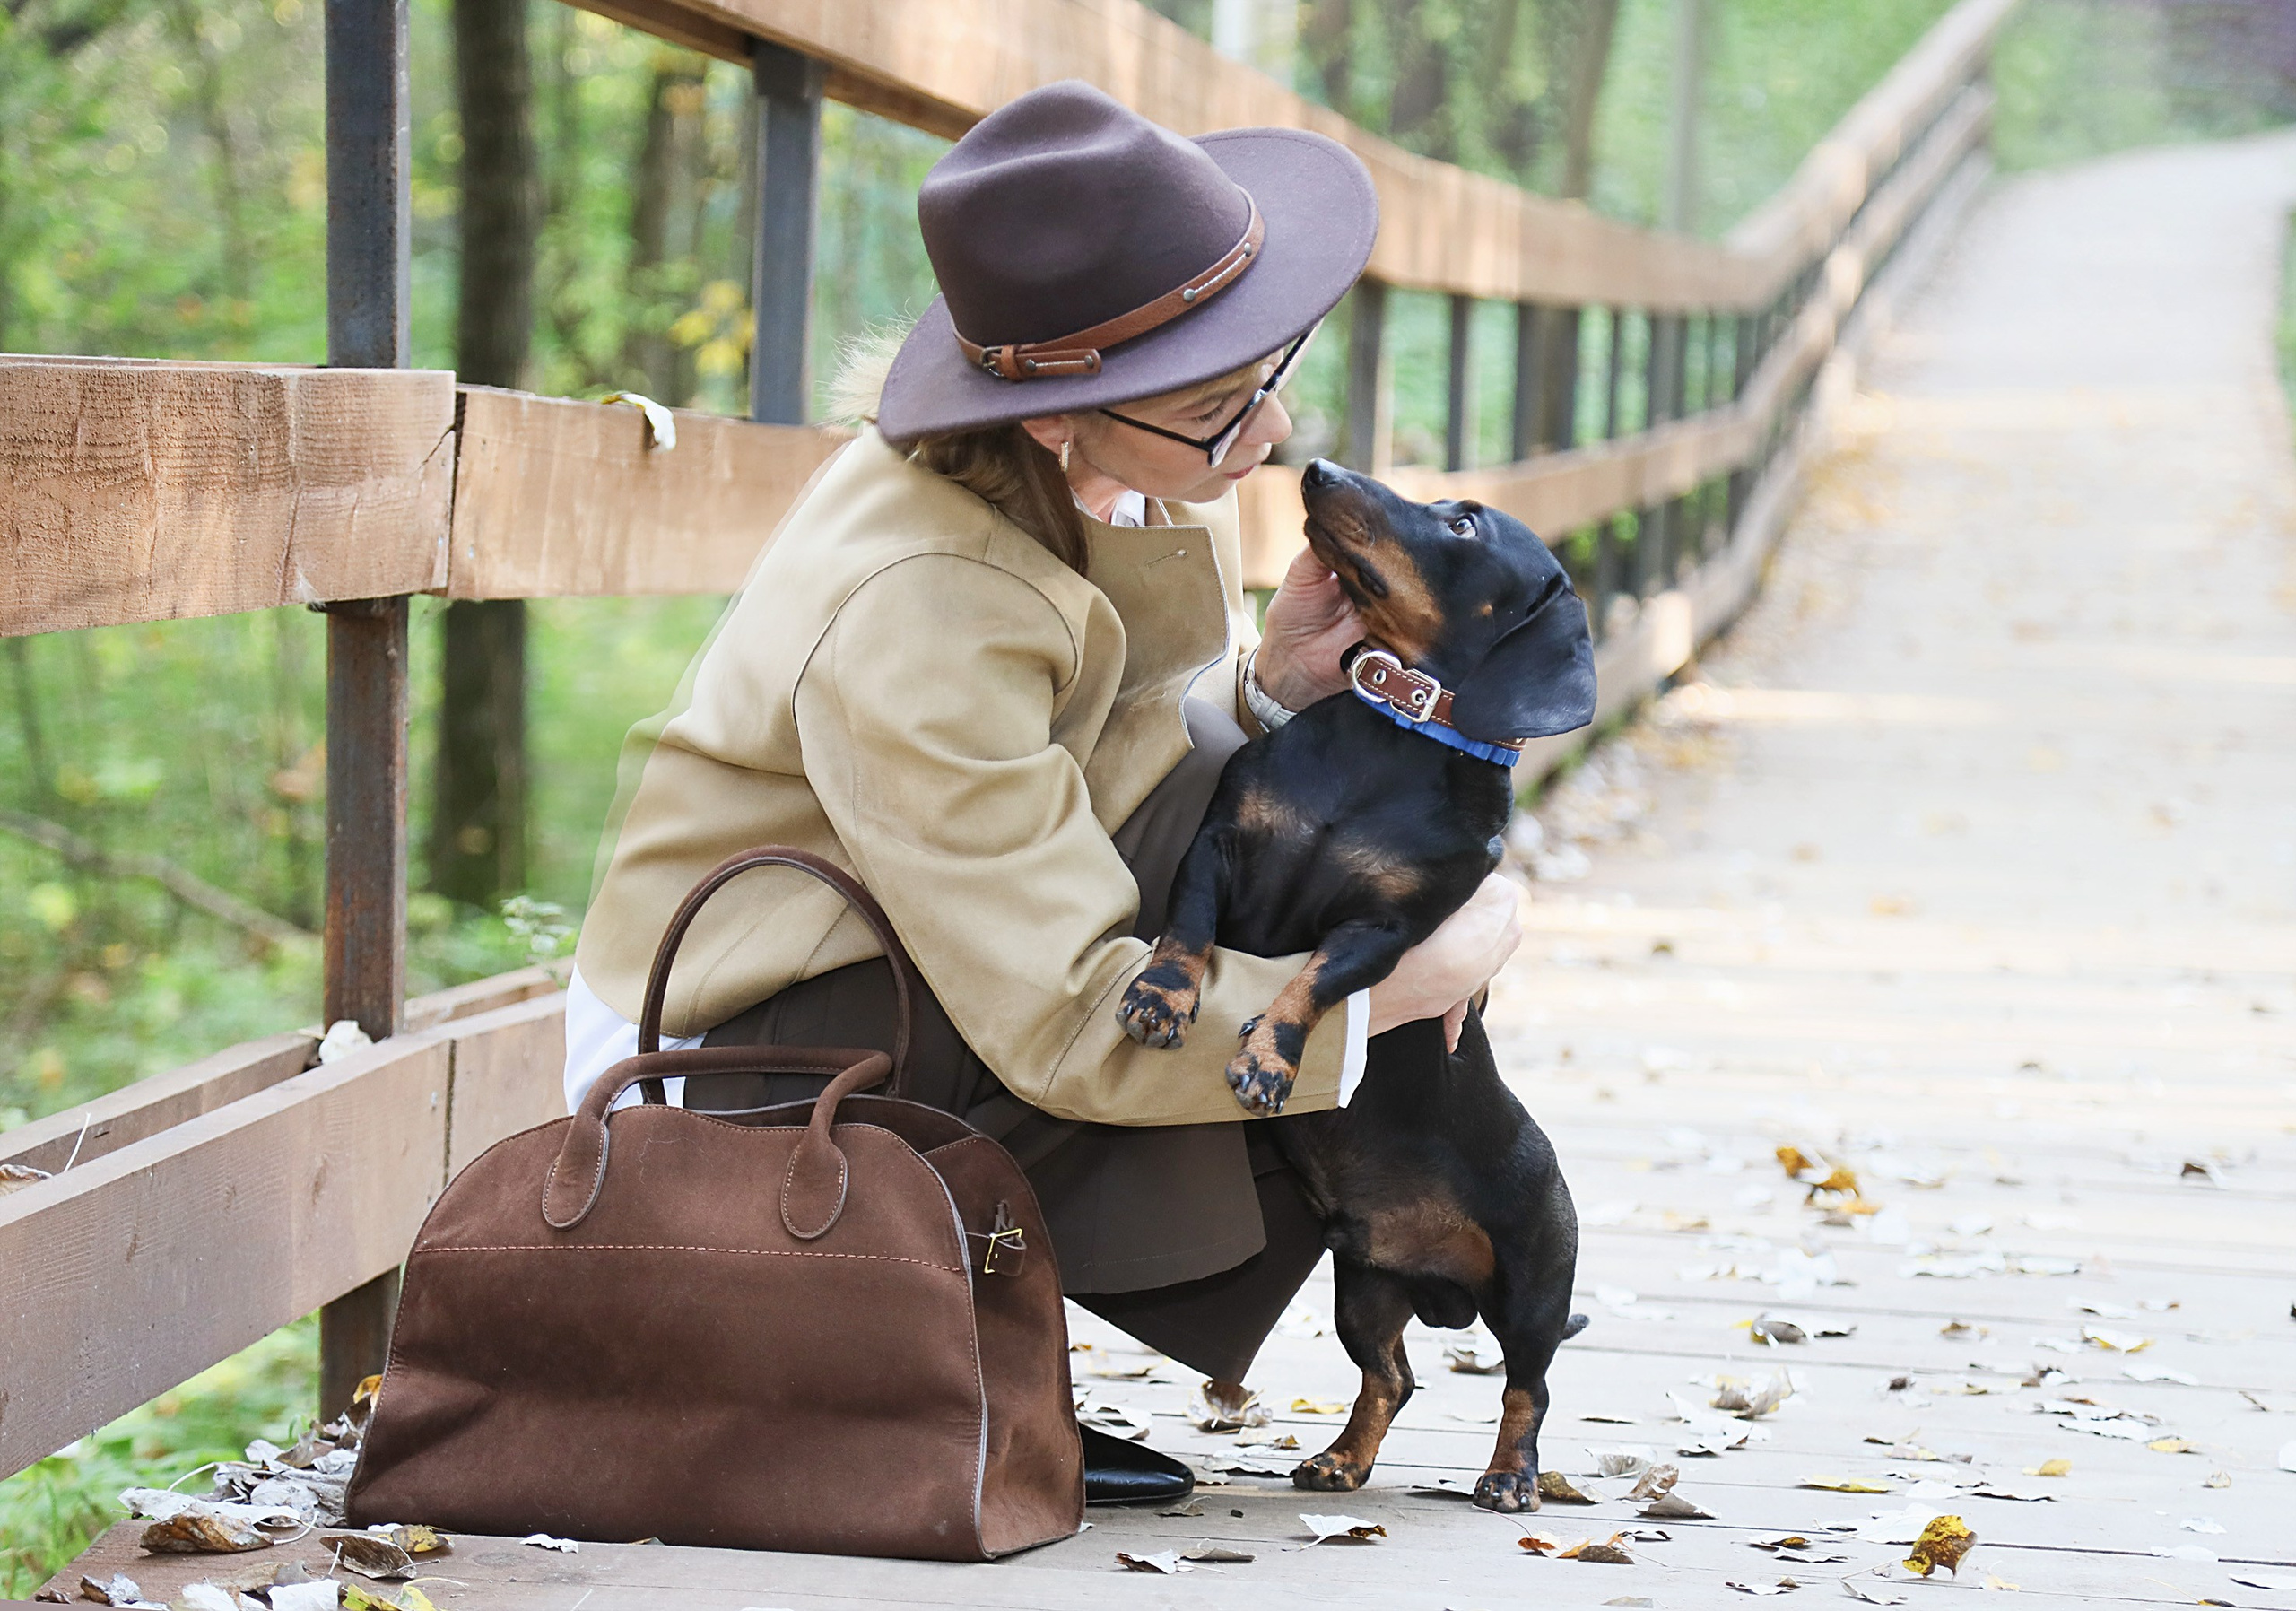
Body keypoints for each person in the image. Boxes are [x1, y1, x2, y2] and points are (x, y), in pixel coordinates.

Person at [563, 80, 1524, 1501]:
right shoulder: (922, 597)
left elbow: (1089, 769)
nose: (1265, 433)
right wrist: (1378, 995)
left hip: (911, 939)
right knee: (1329, 935)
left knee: (1319, 850)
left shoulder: (1104, 477)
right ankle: (857, 1352)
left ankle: (966, 1343)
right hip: (746, 1059)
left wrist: (1270, 690)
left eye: (1265, 371)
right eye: (1214, 406)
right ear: (1062, 414)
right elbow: (1071, 1009)